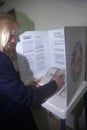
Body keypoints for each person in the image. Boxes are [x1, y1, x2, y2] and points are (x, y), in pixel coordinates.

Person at [0, 12, 64, 129]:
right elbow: (27, 98)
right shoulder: (1, 59)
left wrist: (26, 85)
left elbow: (6, 83)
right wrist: (55, 84)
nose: (13, 40)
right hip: (14, 119)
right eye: (10, 34)